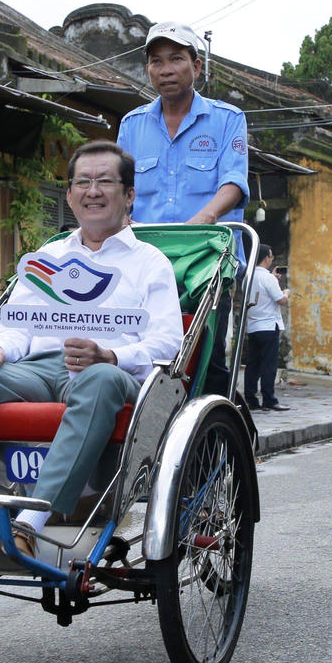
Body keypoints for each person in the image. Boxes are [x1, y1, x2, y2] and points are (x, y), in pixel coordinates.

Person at [0, 141, 184, 556]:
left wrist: (110, 355)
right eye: (83, 182)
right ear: (69, 195)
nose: (93, 191)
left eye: (105, 181)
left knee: (98, 379)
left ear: (129, 195)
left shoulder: (150, 262)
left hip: (110, 377)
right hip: (39, 369)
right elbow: (18, 326)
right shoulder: (49, 256)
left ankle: (32, 522)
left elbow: (167, 342)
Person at [118, 21, 249, 396]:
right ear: (148, 70)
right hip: (143, 257)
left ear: (197, 67)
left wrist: (201, 222)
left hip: (206, 258)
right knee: (142, 348)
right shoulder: (132, 124)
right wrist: (126, 220)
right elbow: (121, 189)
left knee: (206, 356)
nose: (166, 69)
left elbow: (234, 184)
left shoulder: (227, 119)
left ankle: (220, 434)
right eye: (156, 61)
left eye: (176, 59)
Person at [244, 244, 290, 411]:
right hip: (269, 325)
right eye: (271, 257)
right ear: (266, 258)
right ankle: (269, 399)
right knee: (268, 365)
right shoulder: (268, 278)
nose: (272, 260)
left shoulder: (248, 276)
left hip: (253, 325)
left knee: (253, 364)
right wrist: (286, 292)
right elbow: (280, 300)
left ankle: (250, 399)